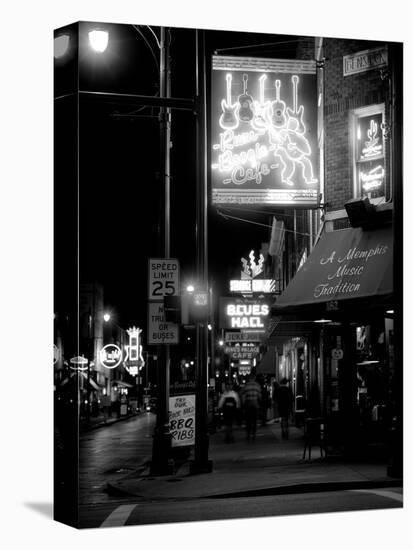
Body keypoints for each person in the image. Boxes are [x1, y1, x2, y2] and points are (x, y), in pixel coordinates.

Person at [241, 372, 262, 441]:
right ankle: (253, 434)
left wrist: (243, 404)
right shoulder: (257, 385)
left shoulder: (246, 386)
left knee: (248, 420)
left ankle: (248, 434)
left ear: (249, 378)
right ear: (254, 378)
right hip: (255, 404)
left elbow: (242, 395)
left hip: (248, 404)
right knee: (254, 420)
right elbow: (259, 396)